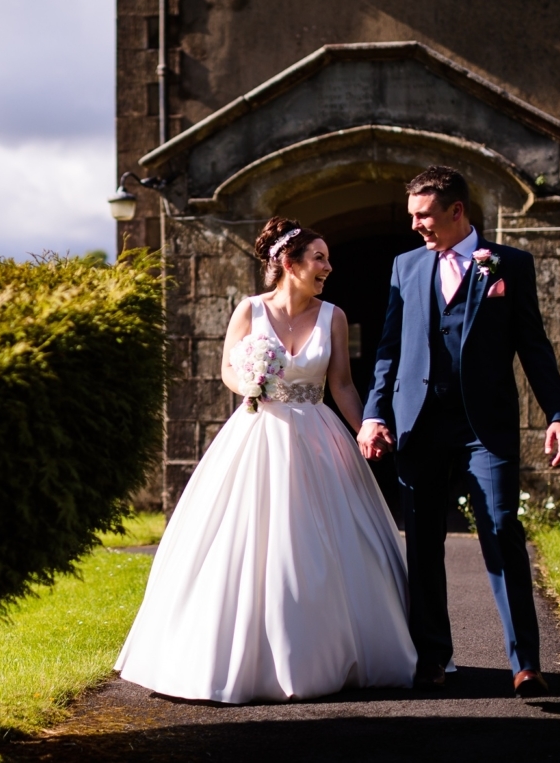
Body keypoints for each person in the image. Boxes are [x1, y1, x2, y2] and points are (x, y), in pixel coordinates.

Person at [116, 218, 416, 704]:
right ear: (289, 264)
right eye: (319, 258)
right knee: (247, 537)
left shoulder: (334, 316)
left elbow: (341, 383)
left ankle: (337, 649)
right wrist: (250, 384)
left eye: (327, 258)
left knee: (335, 537)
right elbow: (227, 369)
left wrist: (365, 425)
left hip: (317, 433)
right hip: (258, 431)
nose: (328, 267)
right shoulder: (250, 310)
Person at [358, 165, 560, 697]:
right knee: (422, 542)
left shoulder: (508, 264)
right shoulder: (406, 266)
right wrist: (374, 414)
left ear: (457, 211)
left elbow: (534, 345)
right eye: (412, 216)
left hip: (485, 427)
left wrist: (557, 413)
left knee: (500, 531)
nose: (415, 226)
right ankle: (432, 656)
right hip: (418, 423)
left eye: (424, 215)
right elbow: (388, 349)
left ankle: (526, 664)